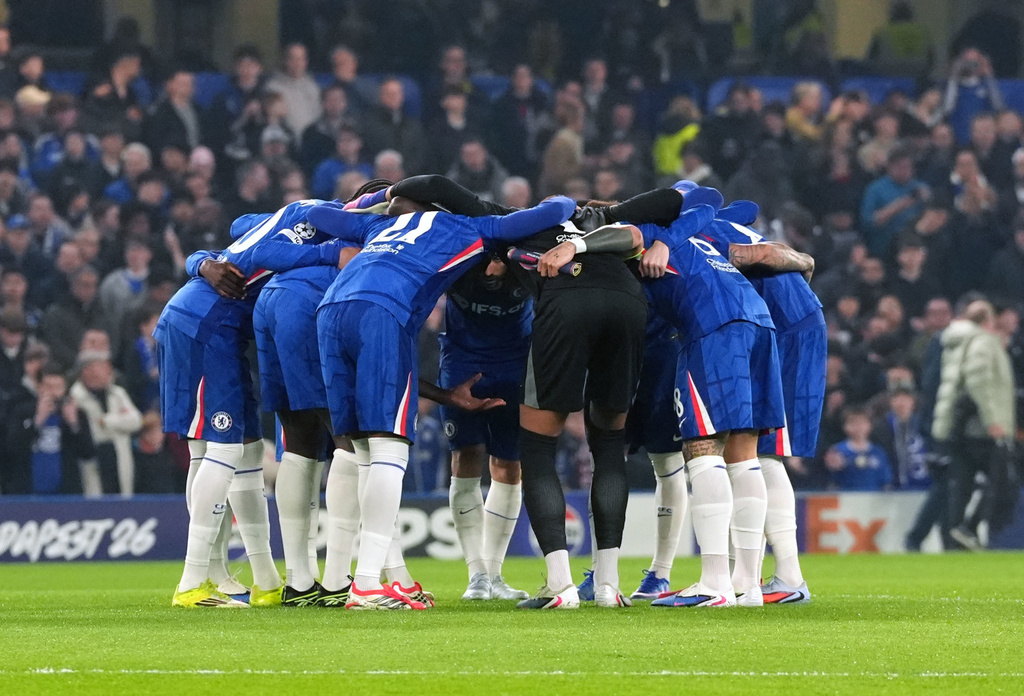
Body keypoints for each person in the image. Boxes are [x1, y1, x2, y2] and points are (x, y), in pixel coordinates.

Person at [307, 188, 575, 609]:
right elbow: (558, 208)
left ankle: (378, 579)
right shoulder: (469, 227)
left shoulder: (378, 224)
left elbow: (318, 212)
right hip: (391, 319)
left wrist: (375, 199)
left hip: (332, 310)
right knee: (388, 452)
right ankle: (367, 584)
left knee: (362, 452)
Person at [156, 199, 347, 609]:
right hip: (205, 325)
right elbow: (260, 248)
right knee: (219, 449)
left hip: (211, 328)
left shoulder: (284, 221)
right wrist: (329, 251)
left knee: (237, 451)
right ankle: (193, 582)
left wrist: (201, 263)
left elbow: (242, 225)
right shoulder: (322, 233)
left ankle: (260, 579)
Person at [931, 299, 1016, 549]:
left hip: (958, 426)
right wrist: (994, 420)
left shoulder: (954, 341)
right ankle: (969, 527)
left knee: (961, 483)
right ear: (988, 320)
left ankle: (956, 535)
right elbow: (979, 380)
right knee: (1002, 481)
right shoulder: (982, 341)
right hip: (981, 428)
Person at [1, 363, 93, 495]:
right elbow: (12, 449)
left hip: (66, 492)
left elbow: (87, 453)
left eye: (58, 387)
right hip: (27, 492)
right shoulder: (22, 412)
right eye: (49, 387)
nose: (54, 393)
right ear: (39, 387)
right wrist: (37, 421)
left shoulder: (76, 414)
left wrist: (74, 424)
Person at [70, 350, 143, 495]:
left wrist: (107, 421)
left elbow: (136, 420)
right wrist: (121, 420)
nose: (109, 370)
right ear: (87, 371)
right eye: (102, 366)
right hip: (94, 460)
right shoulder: (75, 397)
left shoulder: (117, 393)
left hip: (119, 455)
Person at [860, 145, 929, 258]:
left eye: (908, 167)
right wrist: (898, 206)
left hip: (913, 248)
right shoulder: (875, 189)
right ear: (890, 167)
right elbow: (868, 222)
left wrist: (928, 200)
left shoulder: (919, 188)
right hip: (883, 248)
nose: (905, 171)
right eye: (901, 167)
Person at [825, 408, 894, 491]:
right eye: (853, 423)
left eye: (862, 423)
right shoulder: (837, 451)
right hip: (846, 500)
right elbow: (831, 481)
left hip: (874, 501)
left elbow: (886, 480)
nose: (858, 427)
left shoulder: (878, 452)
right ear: (845, 426)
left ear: (870, 425)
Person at [265, 43, 321, 136]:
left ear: (305, 62)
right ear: (286, 61)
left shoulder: (312, 86)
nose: (297, 63)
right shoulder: (273, 87)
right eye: (293, 59)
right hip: (288, 141)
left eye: (301, 59)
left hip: (312, 141)